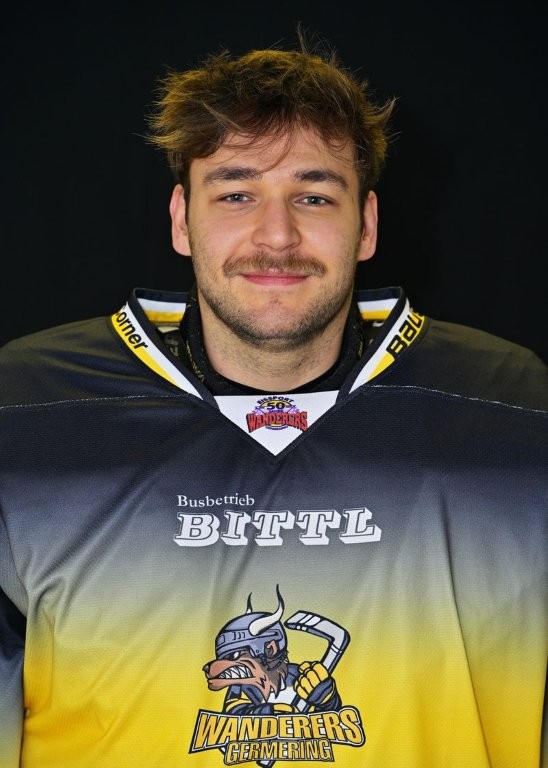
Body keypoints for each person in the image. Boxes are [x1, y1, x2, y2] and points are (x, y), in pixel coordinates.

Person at [0, 37, 546, 768]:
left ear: (367, 224)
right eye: (236, 194)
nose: (277, 235)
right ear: (181, 220)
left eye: (314, 196)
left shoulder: (515, 408)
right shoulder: (23, 409)